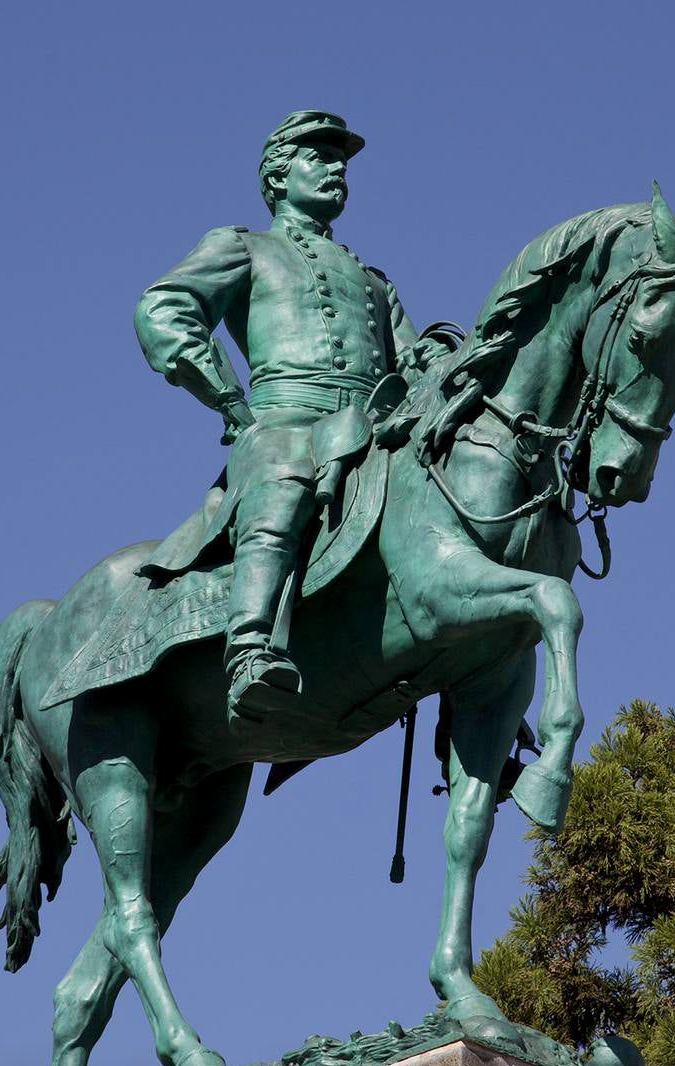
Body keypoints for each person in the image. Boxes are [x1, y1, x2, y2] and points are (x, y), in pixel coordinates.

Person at [134, 111, 449, 724]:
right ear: (279, 176)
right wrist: (229, 400)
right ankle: (249, 651)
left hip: (373, 426)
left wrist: (447, 360)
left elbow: (413, 362)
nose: (337, 170)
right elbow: (165, 306)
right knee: (282, 478)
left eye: (342, 162)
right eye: (320, 157)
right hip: (287, 420)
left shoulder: (374, 283)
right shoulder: (243, 247)